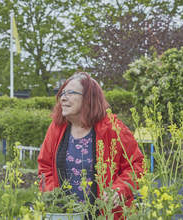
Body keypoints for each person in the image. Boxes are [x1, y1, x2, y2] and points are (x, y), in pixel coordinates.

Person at [37, 71, 144, 219]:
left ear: (89, 98)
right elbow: (45, 166)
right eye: (62, 93)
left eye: (70, 93)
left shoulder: (113, 128)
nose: (63, 98)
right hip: (65, 215)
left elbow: (137, 165)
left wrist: (119, 190)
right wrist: (52, 196)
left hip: (107, 214)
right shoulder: (56, 128)